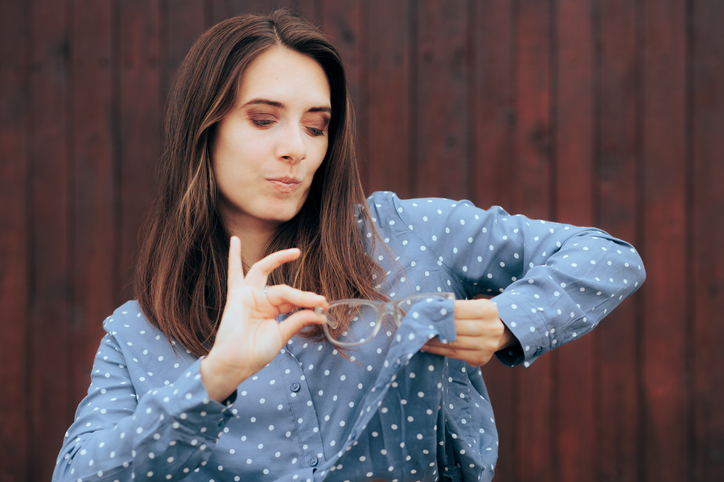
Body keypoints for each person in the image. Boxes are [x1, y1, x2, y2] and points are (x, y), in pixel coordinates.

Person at [53, 9, 645, 482]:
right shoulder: (138, 336)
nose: (297, 148)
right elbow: (81, 475)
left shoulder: (403, 233)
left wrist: (507, 318)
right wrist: (214, 379)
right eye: (264, 120)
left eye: (316, 125)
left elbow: (608, 256)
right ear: (202, 134)